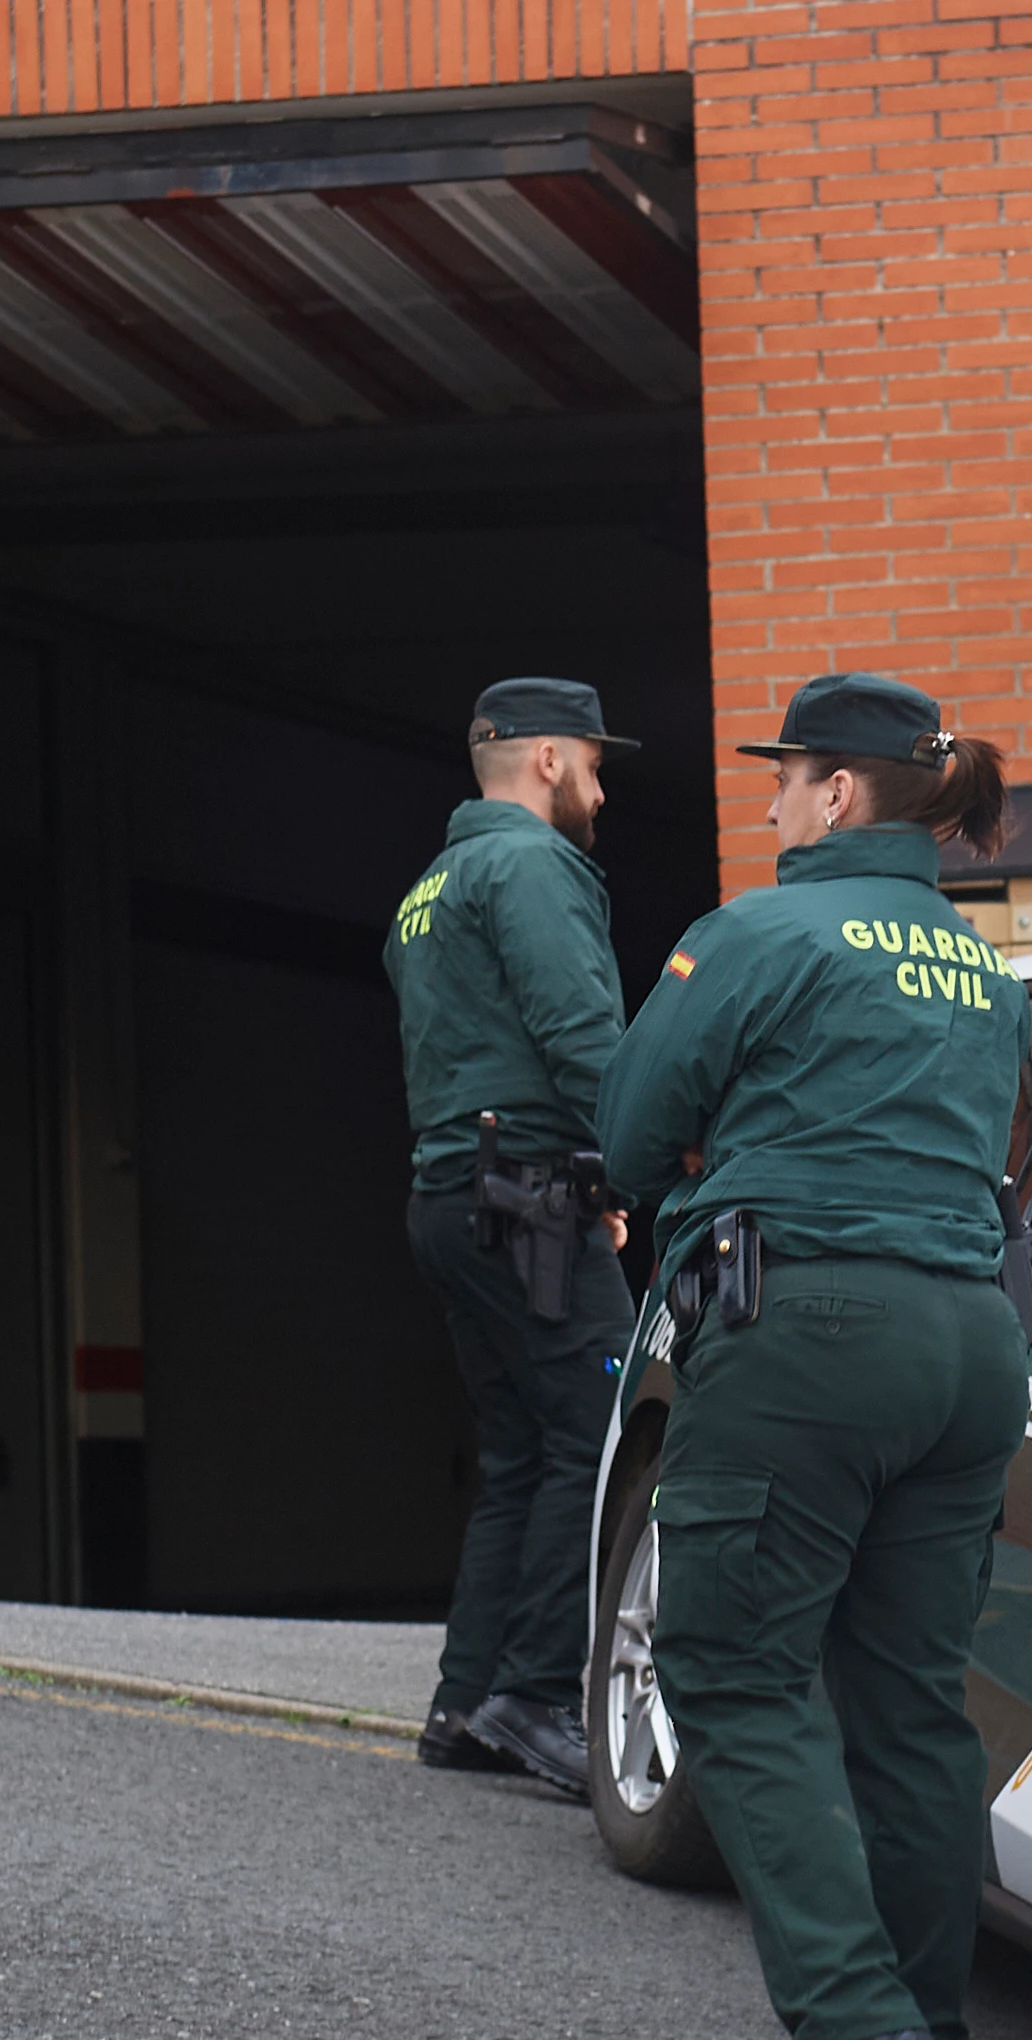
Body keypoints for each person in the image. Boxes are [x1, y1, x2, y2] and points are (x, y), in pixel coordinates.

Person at [596, 671, 1025, 2040]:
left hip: (810, 1332)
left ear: (838, 793)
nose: (771, 802)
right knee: (908, 1697)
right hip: (973, 1344)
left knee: (727, 1655)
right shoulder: (991, 976)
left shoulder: (757, 933)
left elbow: (631, 1132)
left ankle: (850, 2025)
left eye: (784, 779)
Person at [385, 677, 640, 1796]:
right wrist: (647, 1153)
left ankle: (466, 1701)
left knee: (521, 1455)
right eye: (591, 765)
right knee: (596, 1440)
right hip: (529, 1204)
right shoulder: (532, 867)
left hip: (457, 1198)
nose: (599, 790)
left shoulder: (430, 886)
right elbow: (582, 1033)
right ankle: (537, 1698)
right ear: (545, 760)